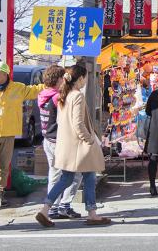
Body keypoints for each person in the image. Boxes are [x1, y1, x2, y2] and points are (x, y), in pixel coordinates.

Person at [36, 64, 110, 227]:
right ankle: (92, 213)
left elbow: (62, 121)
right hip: (79, 146)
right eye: (86, 78)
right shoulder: (77, 95)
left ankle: (45, 209)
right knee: (89, 177)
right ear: (81, 78)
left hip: (66, 144)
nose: (86, 81)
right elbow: (78, 123)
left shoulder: (64, 94)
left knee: (66, 178)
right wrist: (89, 139)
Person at [0, 61, 44, 211]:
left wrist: (51, 84)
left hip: (9, 134)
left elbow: (35, 90)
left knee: (4, 167)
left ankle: (0, 194)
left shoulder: (17, 88)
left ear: (5, 74)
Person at [38, 65, 82, 220]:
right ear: (58, 80)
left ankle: (55, 207)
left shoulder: (43, 94)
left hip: (48, 140)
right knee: (75, 174)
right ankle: (60, 206)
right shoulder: (57, 97)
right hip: (59, 141)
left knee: (55, 175)